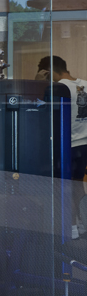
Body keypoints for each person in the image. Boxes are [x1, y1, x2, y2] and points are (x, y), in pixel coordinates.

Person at [52, 57, 87, 238]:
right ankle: (82, 224)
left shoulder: (59, 88)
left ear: (50, 71)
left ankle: (72, 228)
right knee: (78, 185)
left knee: (65, 188)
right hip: (84, 144)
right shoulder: (86, 85)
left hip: (68, 146)